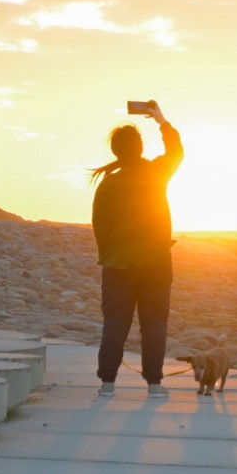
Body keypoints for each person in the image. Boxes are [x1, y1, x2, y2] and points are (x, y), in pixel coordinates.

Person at [90, 100, 184, 398]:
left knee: (115, 323)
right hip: (156, 259)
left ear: (116, 151)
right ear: (140, 148)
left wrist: (110, 254)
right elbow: (176, 153)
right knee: (154, 323)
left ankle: (107, 384)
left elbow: (99, 227)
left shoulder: (108, 185)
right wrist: (160, 119)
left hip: (118, 264)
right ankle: (154, 385)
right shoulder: (156, 173)